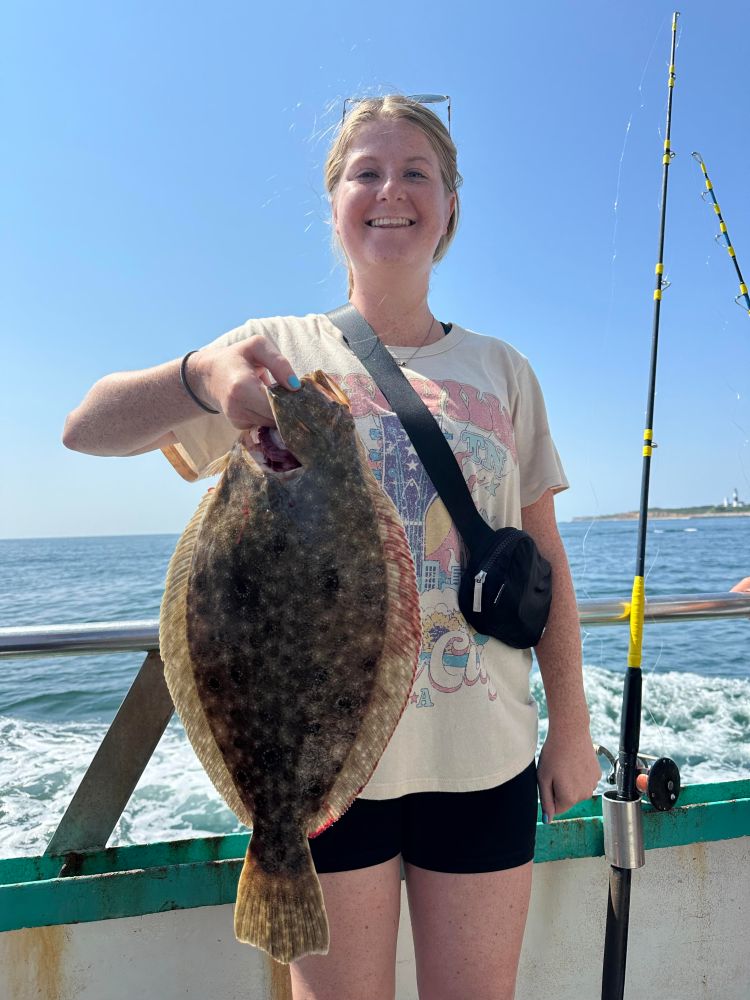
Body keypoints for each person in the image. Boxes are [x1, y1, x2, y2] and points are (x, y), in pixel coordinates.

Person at [64, 94, 601, 1000]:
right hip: (317, 778)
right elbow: (86, 428)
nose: (391, 190)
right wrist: (203, 375)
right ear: (334, 202)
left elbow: (544, 561)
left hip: (487, 758)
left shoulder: (504, 371)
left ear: (451, 204)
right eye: (367, 172)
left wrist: (573, 731)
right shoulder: (269, 357)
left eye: (416, 172)